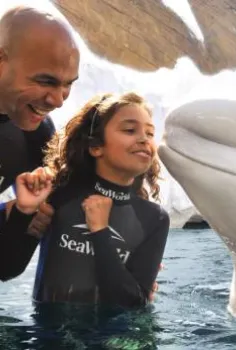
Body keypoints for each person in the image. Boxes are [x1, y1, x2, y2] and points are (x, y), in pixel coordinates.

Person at [9, 92, 170, 308]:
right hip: (48, 338)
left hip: (116, 340)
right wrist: (23, 211)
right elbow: (6, 269)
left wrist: (100, 231)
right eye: (130, 130)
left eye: (150, 133)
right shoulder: (59, 196)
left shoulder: (154, 218)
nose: (144, 139)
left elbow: (134, 303)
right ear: (96, 147)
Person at [0, 5, 80, 280]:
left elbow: (6, 267)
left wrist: (22, 213)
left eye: (67, 84)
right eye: (46, 81)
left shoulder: (36, 134)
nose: (57, 100)